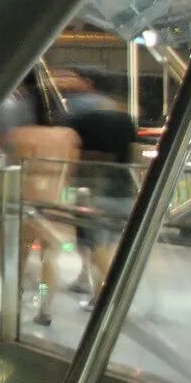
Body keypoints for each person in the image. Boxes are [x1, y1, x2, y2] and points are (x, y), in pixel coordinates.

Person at [0, 74, 80, 326]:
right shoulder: (69, 136)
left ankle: (15, 296)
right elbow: (73, 168)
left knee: (19, 253)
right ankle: (45, 308)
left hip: (25, 198)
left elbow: (10, 166)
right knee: (50, 257)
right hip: (57, 200)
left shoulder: (19, 135)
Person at [56, 68, 136, 305]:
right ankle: (89, 281)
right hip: (123, 188)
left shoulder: (76, 119)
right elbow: (132, 151)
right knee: (107, 241)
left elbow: (70, 152)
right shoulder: (124, 119)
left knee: (94, 241)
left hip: (92, 189)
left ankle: (107, 293)